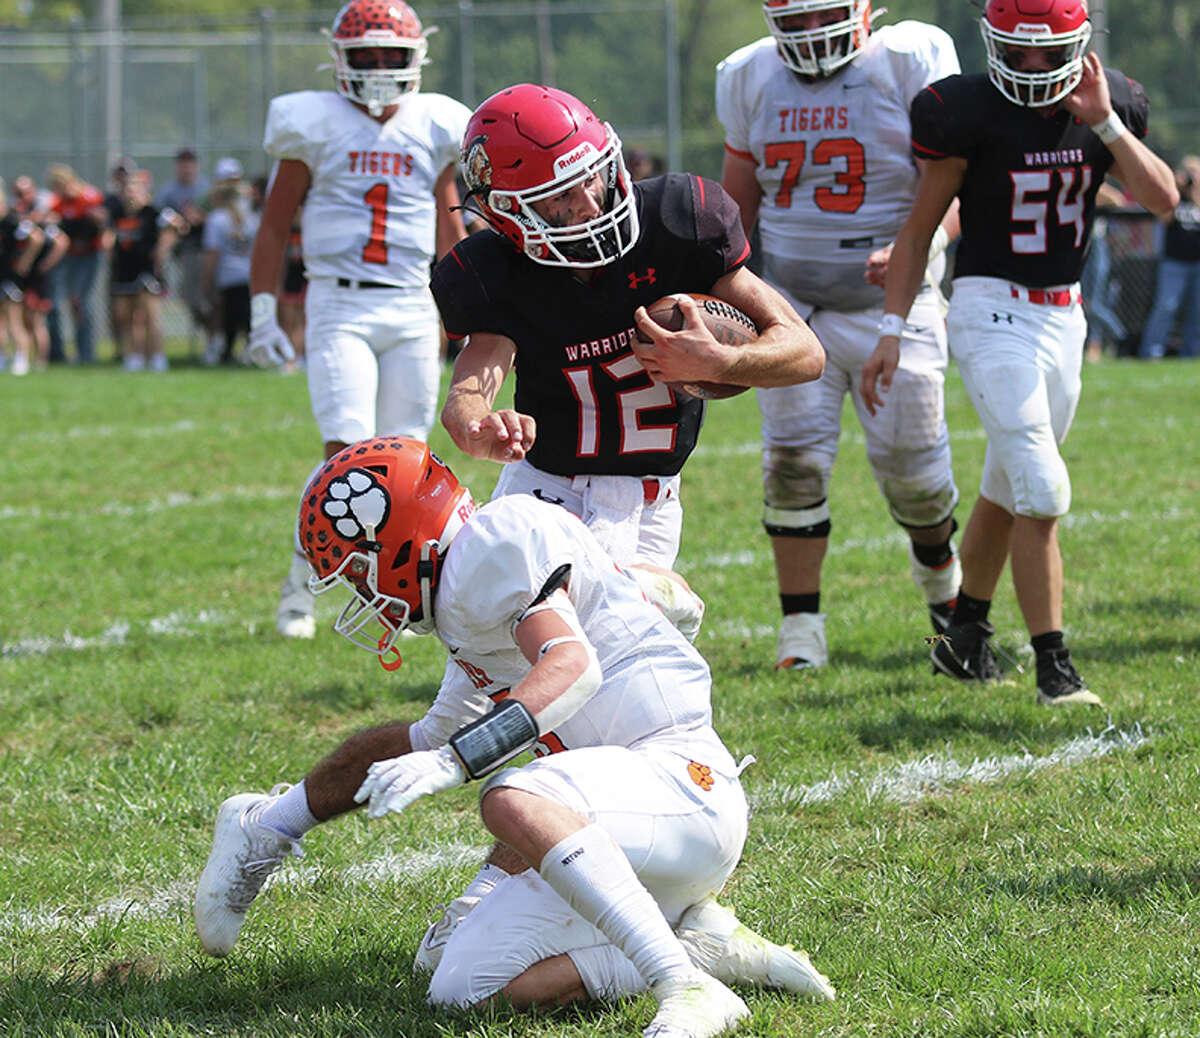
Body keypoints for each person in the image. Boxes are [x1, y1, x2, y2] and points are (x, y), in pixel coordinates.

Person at [195, 437, 836, 1036]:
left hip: (683, 788)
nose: (364, 592)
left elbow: (572, 666)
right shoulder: (469, 596)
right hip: (633, 833)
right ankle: (695, 945)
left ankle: (682, 983)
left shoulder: (494, 543)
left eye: (358, 571)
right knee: (458, 985)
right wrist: (281, 822)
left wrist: (458, 760)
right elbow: (427, 740)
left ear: (396, 541)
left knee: (511, 797)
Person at [860, 0, 1178, 705]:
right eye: (1018, 51)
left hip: (1064, 317)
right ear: (993, 43)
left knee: (1007, 487)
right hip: (988, 307)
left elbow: (1161, 199)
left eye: (1046, 53)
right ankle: (1054, 667)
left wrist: (1104, 121)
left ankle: (966, 634)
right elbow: (918, 231)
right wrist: (892, 331)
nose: (1033, 67)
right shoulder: (964, 109)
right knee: (1042, 486)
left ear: (1077, 46)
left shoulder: (1108, 100)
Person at [437, 83, 826, 583]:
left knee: (615, 640)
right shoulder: (495, 270)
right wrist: (475, 426)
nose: (590, 203)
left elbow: (806, 352)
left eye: (591, 176)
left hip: (652, 501)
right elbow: (471, 387)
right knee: (523, 645)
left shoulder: (677, 221)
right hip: (546, 491)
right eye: (560, 195)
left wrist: (722, 363)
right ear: (509, 213)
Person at [715, 0, 964, 670]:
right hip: (794, 310)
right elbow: (735, 208)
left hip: (894, 306)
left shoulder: (909, 61)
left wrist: (923, 247)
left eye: (820, 14)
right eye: (792, 20)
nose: (806, 32)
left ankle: (948, 607)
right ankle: (801, 632)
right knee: (791, 466)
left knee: (917, 480)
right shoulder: (748, 74)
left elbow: (952, 190)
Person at [246, 0, 472, 640]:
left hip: (409, 303)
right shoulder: (312, 123)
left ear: (416, 60)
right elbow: (273, 224)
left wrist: (471, 306)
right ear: (339, 59)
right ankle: (301, 588)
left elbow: (448, 224)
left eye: (390, 56)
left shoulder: (435, 125)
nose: (377, 69)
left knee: (405, 464)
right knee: (343, 453)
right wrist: (264, 312)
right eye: (365, 56)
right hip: (339, 302)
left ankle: (392, 593)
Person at [109, 170, 183, 372]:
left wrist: (163, 248)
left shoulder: (153, 212)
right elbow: (110, 235)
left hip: (146, 270)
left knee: (150, 316)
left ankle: (157, 357)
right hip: (124, 270)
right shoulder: (118, 213)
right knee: (126, 316)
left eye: (135, 190)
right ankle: (135, 356)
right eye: (127, 190)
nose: (130, 194)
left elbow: (178, 225)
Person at [46, 164, 110, 364]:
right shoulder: (58, 203)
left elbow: (102, 223)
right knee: (63, 301)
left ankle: (87, 352)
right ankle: (63, 353)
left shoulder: (89, 197)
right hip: (69, 256)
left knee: (80, 300)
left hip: (88, 255)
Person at [1138, 155, 1200, 360]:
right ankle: (1152, 351)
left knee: (1197, 311)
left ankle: (1192, 353)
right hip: (1174, 262)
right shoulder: (1175, 198)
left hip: (1197, 263)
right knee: (1166, 307)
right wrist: (1176, 187)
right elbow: (1163, 216)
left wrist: (1196, 191)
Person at [155, 147, 213, 354]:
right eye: (182, 163)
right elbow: (162, 219)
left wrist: (200, 217)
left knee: (212, 299)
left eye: (190, 163)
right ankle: (213, 337)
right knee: (191, 298)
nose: (186, 167)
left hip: (209, 250)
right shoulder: (169, 192)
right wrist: (180, 222)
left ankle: (216, 339)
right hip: (186, 252)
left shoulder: (206, 188)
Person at [202, 158, 259, 365]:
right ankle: (243, 353)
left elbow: (212, 254)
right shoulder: (253, 217)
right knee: (245, 318)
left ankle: (226, 353)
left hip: (228, 276)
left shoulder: (217, 219)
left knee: (229, 319)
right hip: (249, 275)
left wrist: (207, 280)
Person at [0, 179, 43, 375]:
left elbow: (36, 238)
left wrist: (24, 263)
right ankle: (2, 357)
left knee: (14, 320)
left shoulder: (12, 221)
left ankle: (21, 358)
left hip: (10, 278)